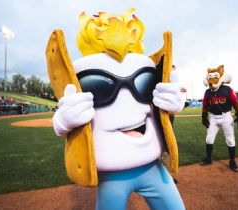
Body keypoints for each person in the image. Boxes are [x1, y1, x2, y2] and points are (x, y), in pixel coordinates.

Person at [49, 9, 185, 210]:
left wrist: (172, 102)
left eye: (144, 82)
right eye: (98, 86)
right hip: (112, 176)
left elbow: (166, 105)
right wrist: (63, 120)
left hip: (153, 167)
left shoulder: (148, 96)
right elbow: (60, 125)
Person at [199, 65, 238, 172]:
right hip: (213, 117)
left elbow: (235, 102)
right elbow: (205, 105)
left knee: (230, 140)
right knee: (209, 139)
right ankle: (208, 159)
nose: (211, 80)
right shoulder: (208, 92)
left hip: (226, 116)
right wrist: (204, 116)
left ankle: (232, 162)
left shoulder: (227, 89)